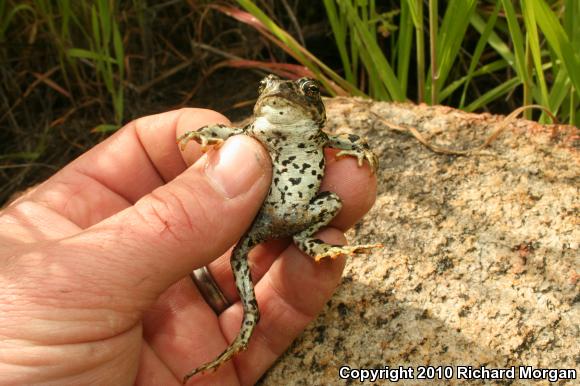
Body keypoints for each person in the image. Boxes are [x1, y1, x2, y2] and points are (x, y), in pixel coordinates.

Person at [0, 108, 377, 385]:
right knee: (242, 263)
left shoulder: (315, 133)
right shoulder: (255, 132)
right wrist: (212, 138)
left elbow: (346, 143)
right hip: (257, 215)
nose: (282, 96)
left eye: (305, 93)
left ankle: (307, 243)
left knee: (335, 203)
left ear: (316, 110)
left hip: (301, 212)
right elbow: (228, 134)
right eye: (270, 88)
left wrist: (361, 150)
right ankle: (241, 338)